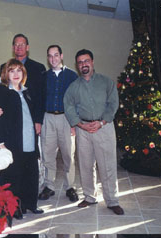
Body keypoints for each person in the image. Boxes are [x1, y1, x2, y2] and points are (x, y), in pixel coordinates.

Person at [63, 49, 124, 215]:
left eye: (86, 61)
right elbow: (68, 106)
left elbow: (113, 103)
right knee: (85, 165)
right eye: (80, 62)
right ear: (77, 65)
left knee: (107, 165)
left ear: (92, 62)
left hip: (104, 127)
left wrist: (102, 122)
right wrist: (80, 125)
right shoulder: (73, 87)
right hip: (83, 129)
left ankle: (112, 200)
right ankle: (90, 197)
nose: (84, 64)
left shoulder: (106, 82)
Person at [0, 58, 44, 219]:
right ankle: (15, 207)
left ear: (23, 73)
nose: (16, 74)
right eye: (12, 70)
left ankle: (31, 204)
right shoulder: (2, 91)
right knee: (14, 176)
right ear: (6, 74)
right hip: (13, 141)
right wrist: (0, 143)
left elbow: (33, 112)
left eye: (19, 70)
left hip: (29, 139)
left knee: (31, 173)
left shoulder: (27, 91)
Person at [38, 45, 78, 202]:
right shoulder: (43, 76)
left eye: (56, 55)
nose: (53, 59)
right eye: (50, 56)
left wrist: (74, 123)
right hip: (48, 118)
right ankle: (49, 186)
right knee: (48, 154)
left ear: (61, 56)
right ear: (47, 58)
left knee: (69, 155)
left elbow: (76, 101)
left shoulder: (72, 76)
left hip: (66, 119)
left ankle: (70, 187)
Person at [0, 33, 46, 136]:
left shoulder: (38, 68)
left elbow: (41, 97)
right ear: (13, 48)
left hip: (31, 118)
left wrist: (38, 120)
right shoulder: (4, 67)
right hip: (11, 118)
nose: (19, 47)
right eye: (16, 44)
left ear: (27, 47)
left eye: (22, 44)